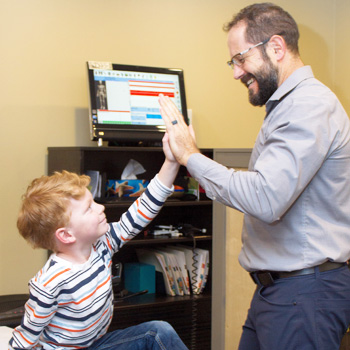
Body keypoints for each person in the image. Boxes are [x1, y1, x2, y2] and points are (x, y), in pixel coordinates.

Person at [158, 2, 350, 350]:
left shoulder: (309, 106)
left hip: (304, 294)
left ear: (276, 47)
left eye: (240, 58)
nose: (236, 72)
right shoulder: (286, 106)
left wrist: (190, 156)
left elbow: (265, 198)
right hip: (278, 291)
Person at [9, 134, 188, 350]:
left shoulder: (102, 245)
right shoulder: (50, 283)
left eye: (93, 201)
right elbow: (25, 338)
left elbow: (141, 212)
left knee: (159, 332)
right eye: (89, 208)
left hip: (97, 344)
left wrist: (171, 162)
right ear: (66, 235)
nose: (101, 207)